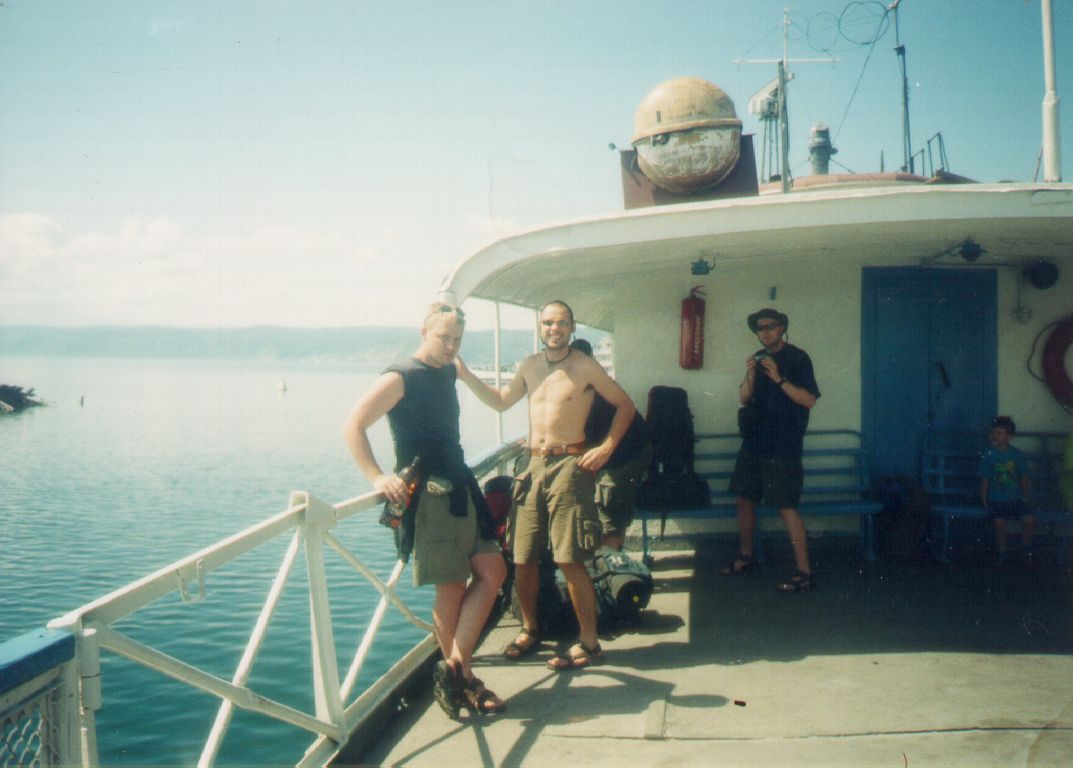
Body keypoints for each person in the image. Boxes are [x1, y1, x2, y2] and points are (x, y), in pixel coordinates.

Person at [342, 302, 507, 718]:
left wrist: (463, 371)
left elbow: (495, 401)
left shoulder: (448, 370)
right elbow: (353, 425)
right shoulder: (401, 376)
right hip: (430, 495)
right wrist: (377, 477)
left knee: (493, 570)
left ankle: (453, 669)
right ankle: (465, 680)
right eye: (443, 337)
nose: (450, 346)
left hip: (460, 483)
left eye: (457, 339)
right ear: (423, 332)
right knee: (450, 586)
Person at [456, 300, 638, 670]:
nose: (555, 329)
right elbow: (501, 402)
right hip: (531, 466)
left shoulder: (584, 366)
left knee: (570, 559)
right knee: (522, 557)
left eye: (562, 323)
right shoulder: (529, 366)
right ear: (541, 328)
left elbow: (625, 405)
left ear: (572, 328)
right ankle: (530, 629)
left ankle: (589, 643)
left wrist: (605, 448)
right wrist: (465, 374)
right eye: (549, 323)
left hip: (569, 465)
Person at [722, 308, 820, 592]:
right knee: (744, 499)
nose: (765, 332)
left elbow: (809, 400)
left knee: (786, 506)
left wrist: (778, 378)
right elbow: (744, 398)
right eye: (760, 327)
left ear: (782, 328)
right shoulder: (759, 357)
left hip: (784, 446)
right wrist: (751, 374)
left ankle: (804, 572)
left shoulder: (798, 358)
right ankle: (746, 556)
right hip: (754, 443)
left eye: (771, 326)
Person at [571, 338, 653, 551]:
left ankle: (611, 561)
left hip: (626, 455)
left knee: (609, 519)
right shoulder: (595, 381)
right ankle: (614, 554)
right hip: (627, 450)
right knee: (612, 514)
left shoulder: (591, 388)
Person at [979, 416, 1035, 565]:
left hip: (1016, 498)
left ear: (1009, 437)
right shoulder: (987, 454)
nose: (994, 436)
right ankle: (1002, 552)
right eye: (992, 432)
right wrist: (984, 499)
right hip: (996, 499)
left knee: (1029, 520)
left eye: (998, 433)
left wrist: (1026, 497)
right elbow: (984, 480)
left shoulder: (1016, 454)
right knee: (999, 523)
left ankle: (1025, 549)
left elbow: (1023, 478)